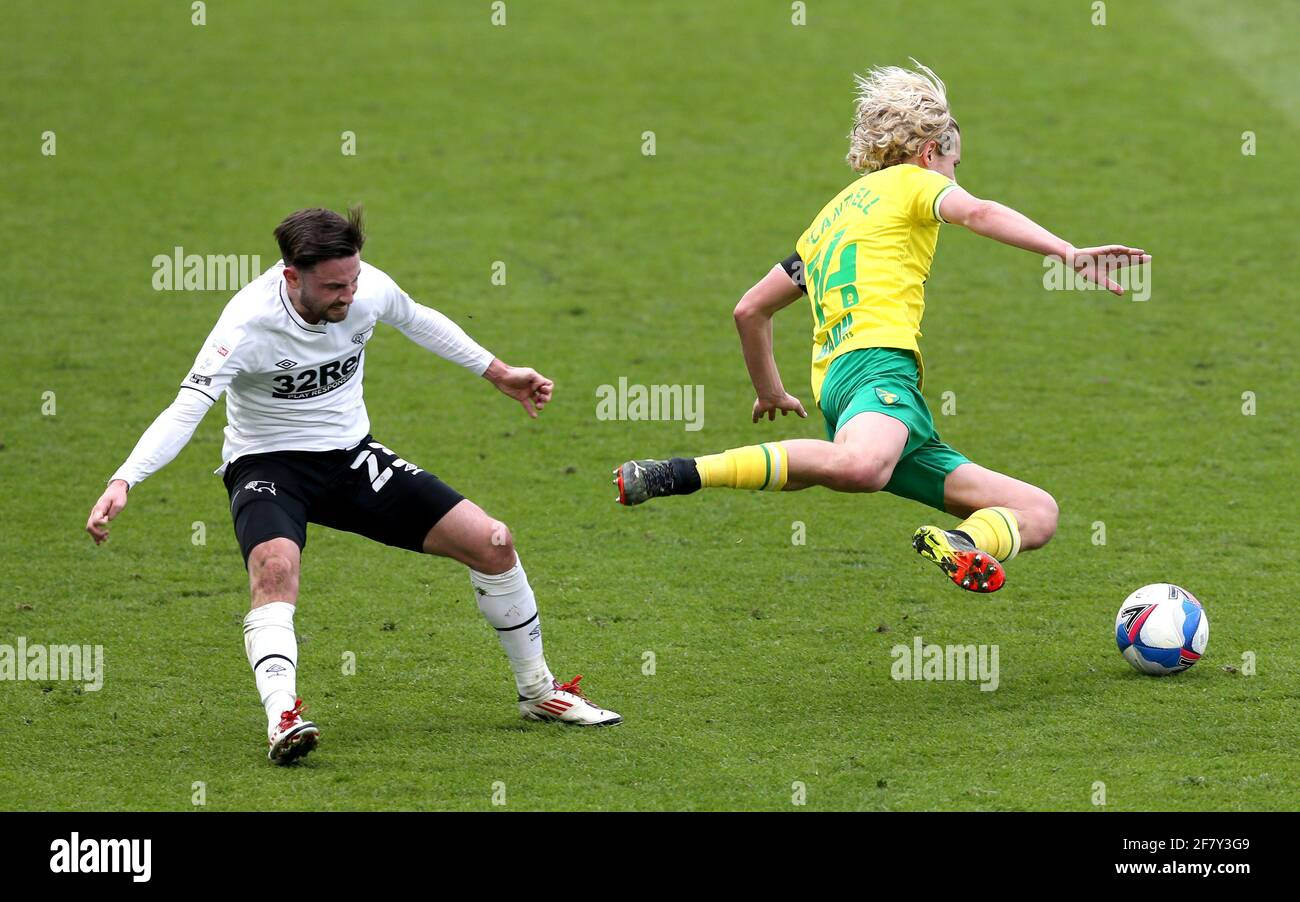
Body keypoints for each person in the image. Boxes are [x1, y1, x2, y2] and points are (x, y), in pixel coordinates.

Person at [86, 206, 621, 764]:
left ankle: (539, 693)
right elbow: (187, 407)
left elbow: (419, 319)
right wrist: (125, 478)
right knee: (275, 570)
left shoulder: (365, 289)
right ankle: (282, 718)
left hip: (350, 457)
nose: (349, 295)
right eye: (334, 286)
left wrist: (499, 372)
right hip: (268, 465)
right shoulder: (245, 325)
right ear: (292, 276)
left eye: (354, 280)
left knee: (493, 543)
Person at [614, 61, 1149, 594]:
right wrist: (1066, 250)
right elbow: (979, 212)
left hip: (848, 389)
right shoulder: (915, 183)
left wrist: (769, 390)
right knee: (861, 469)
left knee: (1036, 510)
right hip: (877, 366)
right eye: (954, 164)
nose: (955, 178)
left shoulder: (830, 219)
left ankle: (964, 543)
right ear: (929, 151)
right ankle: (677, 473)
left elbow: (750, 310)